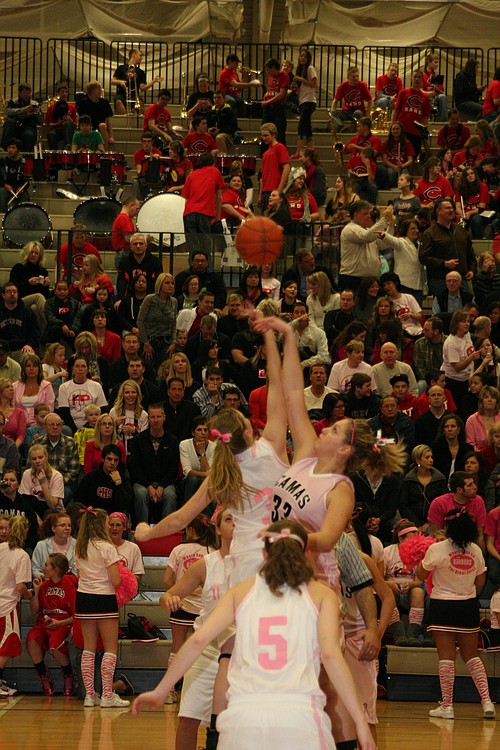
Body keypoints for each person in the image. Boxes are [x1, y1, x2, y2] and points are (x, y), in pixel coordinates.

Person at [133, 518, 376, 750]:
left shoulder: (241, 591)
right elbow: (331, 657)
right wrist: (360, 721)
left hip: (244, 715)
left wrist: (162, 690)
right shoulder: (323, 595)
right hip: (299, 714)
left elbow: (197, 640)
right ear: (306, 554)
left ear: (264, 554)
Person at [418, 508, 495, 719]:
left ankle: (448, 706)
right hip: (468, 606)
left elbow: (420, 574)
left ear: (448, 526)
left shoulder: (437, 549)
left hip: (443, 606)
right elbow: (480, 582)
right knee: (472, 656)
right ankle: (487, 702)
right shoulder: (476, 551)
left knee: (446, 658)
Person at [74, 506, 130, 708]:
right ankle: (107, 694)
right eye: (108, 523)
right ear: (100, 525)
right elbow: (115, 581)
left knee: (88, 649)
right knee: (110, 648)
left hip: (83, 599)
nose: (110, 526)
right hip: (104, 599)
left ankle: (90, 695)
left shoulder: (79, 547)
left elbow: (80, 576)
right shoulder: (107, 548)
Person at [162, 515, 217, 703]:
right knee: (204, 651)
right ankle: (198, 693)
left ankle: (169, 691)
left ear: (191, 530)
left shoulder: (178, 549)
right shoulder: (213, 552)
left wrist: (183, 589)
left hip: (181, 605)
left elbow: (167, 581)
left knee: (176, 649)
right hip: (205, 608)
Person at [27, 551, 77, 696]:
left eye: (47, 565)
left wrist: (60, 622)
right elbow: (34, 610)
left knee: (55, 645)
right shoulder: (44, 585)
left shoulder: (69, 584)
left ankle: (68, 675)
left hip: (63, 622)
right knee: (31, 639)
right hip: (45, 622)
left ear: (55, 569)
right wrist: (36, 591)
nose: (43, 568)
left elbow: (77, 616)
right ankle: (43, 676)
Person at [128, 402, 179, 524]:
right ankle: (142, 530)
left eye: (159, 417)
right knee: (140, 494)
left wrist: (162, 486)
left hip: (165, 483)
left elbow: (173, 469)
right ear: (148, 419)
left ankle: (168, 531)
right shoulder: (138, 440)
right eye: (152, 417)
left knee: (170, 495)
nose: (156, 420)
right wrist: (148, 486)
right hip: (143, 483)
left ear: (164, 418)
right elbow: (135, 468)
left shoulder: (172, 440)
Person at [0, 516, 32, 698]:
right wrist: (30, 594)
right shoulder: (22, 555)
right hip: (6, 605)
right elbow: (20, 586)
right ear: (26, 531)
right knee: (7, 645)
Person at [383, 520, 428, 647]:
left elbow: (419, 579)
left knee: (419, 592)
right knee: (388, 592)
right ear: (401, 538)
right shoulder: (387, 552)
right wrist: (391, 585)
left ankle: (412, 634)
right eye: (411, 538)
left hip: (411, 588)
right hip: (392, 587)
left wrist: (411, 585)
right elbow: (380, 579)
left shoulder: (419, 553)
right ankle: (399, 634)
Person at [419, 198, 477, 298]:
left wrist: (472, 270)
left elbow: (470, 254)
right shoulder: (429, 233)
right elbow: (423, 257)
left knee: (463, 312)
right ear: (438, 211)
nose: (451, 210)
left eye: (452, 208)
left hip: (461, 280)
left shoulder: (461, 231)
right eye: (447, 208)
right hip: (440, 281)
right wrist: (444, 263)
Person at [339, 201, 394, 292]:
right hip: (353, 278)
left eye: (369, 213)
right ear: (356, 215)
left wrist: (390, 226)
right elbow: (366, 237)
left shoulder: (367, 231)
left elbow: (383, 244)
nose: (369, 216)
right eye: (365, 213)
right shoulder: (350, 229)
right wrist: (384, 219)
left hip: (369, 279)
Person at [31, 412, 81, 505]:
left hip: (64, 483)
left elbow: (73, 471)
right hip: (40, 482)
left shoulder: (71, 443)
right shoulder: (37, 443)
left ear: (62, 427)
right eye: (51, 424)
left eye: (58, 424)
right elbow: (31, 468)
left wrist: (56, 483)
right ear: (44, 427)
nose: (55, 427)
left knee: (62, 496)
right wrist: (44, 483)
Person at [182, 152, 225, 254]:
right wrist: (217, 218)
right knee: (206, 248)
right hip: (204, 212)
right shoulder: (215, 171)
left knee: (192, 247)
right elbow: (219, 197)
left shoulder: (191, 175)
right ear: (212, 162)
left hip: (189, 213)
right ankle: (207, 269)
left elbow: (186, 199)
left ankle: (193, 268)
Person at [399, 444, 448, 531]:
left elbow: (444, 504)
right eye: (427, 457)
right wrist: (416, 524)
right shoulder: (408, 480)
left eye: (431, 457)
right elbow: (403, 505)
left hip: (434, 521)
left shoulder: (440, 479)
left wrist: (429, 523)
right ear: (418, 460)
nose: (431, 460)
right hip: (411, 521)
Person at [76, 444, 132, 517]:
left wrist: (118, 484)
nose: (112, 463)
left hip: (115, 518)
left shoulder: (123, 479)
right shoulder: (90, 478)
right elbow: (79, 502)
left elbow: (125, 506)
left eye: (116, 460)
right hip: (93, 516)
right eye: (109, 459)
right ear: (103, 459)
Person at [379, 218, 425, 304]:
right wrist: (383, 235)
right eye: (413, 228)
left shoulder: (420, 245)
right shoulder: (401, 242)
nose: (416, 231)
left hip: (418, 287)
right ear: (406, 230)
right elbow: (392, 240)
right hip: (404, 285)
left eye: (417, 228)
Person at [136, 273, 177, 368]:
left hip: (166, 342)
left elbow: (174, 323)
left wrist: (174, 342)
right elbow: (140, 321)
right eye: (167, 283)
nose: (170, 285)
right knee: (148, 368)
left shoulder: (174, 302)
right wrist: (145, 342)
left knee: (164, 370)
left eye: (172, 283)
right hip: (149, 341)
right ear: (160, 284)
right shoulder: (150, 299)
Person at [57, 356, 108, 433]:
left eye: (83, 366)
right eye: (77, 366)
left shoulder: (96, 386)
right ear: (72, 368)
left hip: (92, 423)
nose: (80, 369)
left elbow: (103, 409)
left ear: (87, 369)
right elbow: (64, 413)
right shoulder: (64, 387)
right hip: (72, 424)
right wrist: (77, 431)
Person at [112, 47, 163, 115]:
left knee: (140, 103)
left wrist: (154, 81)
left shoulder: (141, 72)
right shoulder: (121, 68)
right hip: (121, 94)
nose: (141, 58)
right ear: (133, 55)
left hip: (134, 96)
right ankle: (124, 119)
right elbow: (112, 81)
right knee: (118, 101)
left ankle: (137, 121)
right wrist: (120, 82)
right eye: (140, 55)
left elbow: (142, 88)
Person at [392, 70, 430, 158]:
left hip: (416, 132)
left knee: (413, 157)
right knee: (401, 156)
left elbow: (425, 116)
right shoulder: (403, 92)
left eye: (419, 77)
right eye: (415, 77)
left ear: (422, 80)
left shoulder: (425, 97)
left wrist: (424, 129)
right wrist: (393, 125)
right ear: (411, 79)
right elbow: (396, 110)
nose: (417, 79)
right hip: (403, 129)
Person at [20, 443, 64, 516]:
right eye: (34, 459)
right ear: (30, 461)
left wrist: (44, 484)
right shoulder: (27, 474)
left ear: (46, 457)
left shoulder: (57, 476)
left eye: (40, 457)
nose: (37, 461)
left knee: (48, 512)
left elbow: (52, 506)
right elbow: (24, 501)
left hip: (53, 512)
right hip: (33, 510)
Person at [0, 282, 39, 362]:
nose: (12, 294)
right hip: (2, 350)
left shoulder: (27, 312)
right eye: (8, 291)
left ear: (18, 294)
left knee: (30, 357)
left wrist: (29, 344)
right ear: (3, 295)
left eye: (14, 291)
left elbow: (35, 332)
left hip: (21, 349)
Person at [31, 510, 76, 578]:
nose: (67, 528)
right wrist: (48, 578)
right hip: (47, 583)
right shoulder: (41, 545)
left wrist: (65, 580)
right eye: (63, 525)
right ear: (53, 528)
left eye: (69, 525)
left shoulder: (77, 544)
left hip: (69, 584)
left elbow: (79, 569)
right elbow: (35, 569)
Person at [258, 123, 291, 211]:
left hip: (274, 189)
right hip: (266, 192)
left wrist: (279, 190)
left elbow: (286, 168)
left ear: (274, 135)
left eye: (266, 135)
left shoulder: (280, 148)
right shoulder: (265, 153)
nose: (264, 138)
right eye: (262, 136)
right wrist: (260, 195)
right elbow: (263, 177)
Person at [380, 271, 423, 338]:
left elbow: (420, 316)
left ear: (395, 283)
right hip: (399, 332)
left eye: (389, 283)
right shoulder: (386, 301)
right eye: (384, 285)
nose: (386, 287)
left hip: (416, 331)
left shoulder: (409, 297)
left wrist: (410, 315)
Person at [2, 83, 42, 151]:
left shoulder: (35, 104)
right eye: (25, 93)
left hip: (28, 127)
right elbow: (7, 111)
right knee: (9, 123)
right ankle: (4, 149)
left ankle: (27, 156)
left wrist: (37, 113)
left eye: (28, 93)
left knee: (28, 135)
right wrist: (24, 110)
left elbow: (41, 121)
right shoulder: (14, 102)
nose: (27, 95)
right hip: (15, 125)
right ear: (20, 93)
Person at [331, 66, 371, 133]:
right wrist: (333, 110)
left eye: (357, 76)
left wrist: (367, 115)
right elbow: (336, 100)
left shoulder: (362, 85)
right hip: (347, 111)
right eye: (353, 76)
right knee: (332, 112)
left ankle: (354, 130)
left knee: (357, 113)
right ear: (348, 77)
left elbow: (369, 100)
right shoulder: (343, 86)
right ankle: (341, 128)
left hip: (358, 111)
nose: (356, 78)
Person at [76, 80, 114, 148]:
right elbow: (81, 118)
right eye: (98, 90)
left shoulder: (104, 102)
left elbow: (109, 119)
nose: (100, 91)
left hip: (101, 127)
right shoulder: (83, 103)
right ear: (92, 91)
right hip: (87, 126)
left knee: (102, 125)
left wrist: (111, 136)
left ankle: (104, 151)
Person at [455, 166, 490, 239]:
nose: (470, 176)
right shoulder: (460, 188)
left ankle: (478, 241)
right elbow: (457, 207)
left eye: (472, 173)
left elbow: (481, 208)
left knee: (476, 219)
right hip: (464, 214)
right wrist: (463, 214)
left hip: (478, 213)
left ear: (475, 175)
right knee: (457, 221)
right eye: (467, 175)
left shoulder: (483, 186)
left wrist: (469, 213)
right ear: (465, 178)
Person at [108, 511, 144, 582]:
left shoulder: (133, 548)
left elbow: (138, 575)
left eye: (118, 525)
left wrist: (122, 580)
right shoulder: (101, 547)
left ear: (124, 527)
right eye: (111, 525)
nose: (114, 528)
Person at [293, 50, 317, 153]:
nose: (302, 58)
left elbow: (313, 84)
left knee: (302, 125)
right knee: (307, 126)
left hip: (309, 100)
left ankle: (299, 150)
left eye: (305, 57)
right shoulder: (300, 70)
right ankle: (311, 150)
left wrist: (301, 79)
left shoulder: (310, 68)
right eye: (301, 56)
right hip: (302, 100)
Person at [260, 58, 288, 145]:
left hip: (277, 107)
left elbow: (281, 94)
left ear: (273, 68)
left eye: (268, 70)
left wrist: (268, 102)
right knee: (264, 130)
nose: (267, 72)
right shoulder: (271, 77)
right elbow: (270, 90)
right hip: (268, 108)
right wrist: (266, 96)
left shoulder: (284, 76)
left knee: (279, 132)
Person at [380, 121, 415, 189]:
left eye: (397, 129)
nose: (395, 131)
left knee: (405, 174)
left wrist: (402, 166)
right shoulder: (385, 144)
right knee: (391, 174)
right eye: (393, 129)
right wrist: (394, 167)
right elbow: (385, 160)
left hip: (403, 166)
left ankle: (404, 190)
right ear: (390, 131)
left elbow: (410, 160)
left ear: (401, 130)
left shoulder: (407, 143)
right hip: (391, 166)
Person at [465, 385, 500, 452]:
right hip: (479, 457)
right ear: (481, 401)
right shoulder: (472, 420)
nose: (489, 400)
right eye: (486, 397)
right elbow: (470, 444)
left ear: (497, 402)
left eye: (493, 398)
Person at [111, 196, 140, 268]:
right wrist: (143, 239)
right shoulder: (124, 218)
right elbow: (128, 238)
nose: (137, 212)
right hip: (125, 254)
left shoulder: (122, 217)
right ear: (131, 205)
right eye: (137, 209)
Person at [0, 139, 28, 214]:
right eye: (9, 148)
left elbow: (27, 180)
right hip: (6, 188)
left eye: (13, 148)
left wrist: (22, 188)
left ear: (18, 150)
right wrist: (4, 185)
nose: (10, 150)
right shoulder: (2, 161)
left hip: (18, 188)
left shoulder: (23, 162)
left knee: (25, 195)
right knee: (2, 192)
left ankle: (22, 217)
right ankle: (3, 215)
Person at [422, 52, 448, 121]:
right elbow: (419, 90)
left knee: (443, 97)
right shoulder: (422, 75)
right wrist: (428, 93)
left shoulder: (437, 76)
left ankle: (443, 122)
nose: (437, 64)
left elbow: (442, 92)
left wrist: (437, 89)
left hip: (435, 97)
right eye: (435, 62)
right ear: (429, 62)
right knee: (427, 99)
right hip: (426, 97)